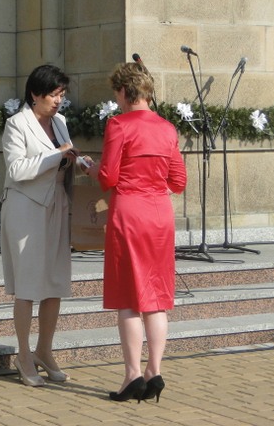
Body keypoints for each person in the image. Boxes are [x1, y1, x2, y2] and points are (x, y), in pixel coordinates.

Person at [83, 62, 187, 402]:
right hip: (160, 216)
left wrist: (91, 168)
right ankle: (154, 370)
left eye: (116, 93)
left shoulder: (119, 125)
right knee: (155, 298)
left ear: (124, 91)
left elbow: (109, 177)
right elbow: (178, 181)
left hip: (130, 213)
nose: (116, 99)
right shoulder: (167, 128)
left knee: (129, 297)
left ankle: (132, 374)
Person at [0, 64, 79, 387]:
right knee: (29, 284)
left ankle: (44, 351)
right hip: (25, 208)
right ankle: (23, 354)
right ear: (35, 94)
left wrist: (79, 160)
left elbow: (64, 157)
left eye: (62, 94)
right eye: (53, 94)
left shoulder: (60, 122)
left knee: (55, 281)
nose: (58, 101)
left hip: (57, 203)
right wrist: (58, 155)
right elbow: (17, 170)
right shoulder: (16, 124)